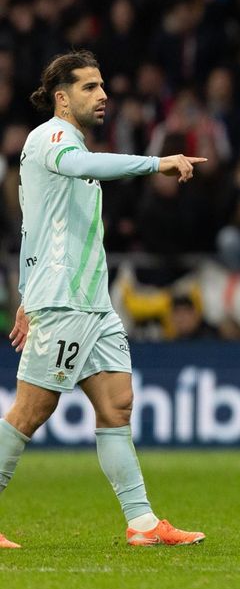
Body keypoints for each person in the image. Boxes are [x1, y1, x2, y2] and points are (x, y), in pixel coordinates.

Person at [0, 51, 208, 549]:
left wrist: (25, 297)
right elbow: (88, 165)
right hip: (66, 301)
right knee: (31, 411)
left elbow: (34, 228)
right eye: (90, 87)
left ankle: (141, 523)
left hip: (93, 302)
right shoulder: (51, 138)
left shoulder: (70, 145)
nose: (103, 95)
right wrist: (155, 162)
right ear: (62, 98)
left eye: (102, 86)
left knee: (117, 405)